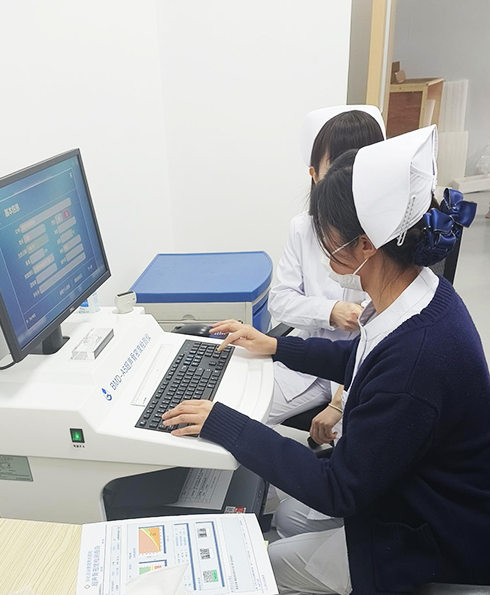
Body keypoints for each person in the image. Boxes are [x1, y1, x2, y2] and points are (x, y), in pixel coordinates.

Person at [162, 126, 489, 594]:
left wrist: (225, 424)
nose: (320, 244)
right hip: (407, 486)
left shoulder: (416, 361)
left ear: (366, 245)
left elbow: (338, 488)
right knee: (290, 518)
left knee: (263, 567)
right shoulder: (420, 292)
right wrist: (277, 346)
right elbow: (361, 357)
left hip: (428, 535)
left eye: (326, 234)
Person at [267, 105, 385, 432]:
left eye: (359, 166)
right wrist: (330, 311)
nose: (347, 180)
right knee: (235, 409)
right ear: (315, 174)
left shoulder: (386, 237)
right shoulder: (303, 228)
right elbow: (280, 301)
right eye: (338, 167)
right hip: (308, 360)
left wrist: (338, 402)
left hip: (363, 372)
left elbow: (387, 335)